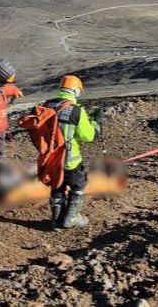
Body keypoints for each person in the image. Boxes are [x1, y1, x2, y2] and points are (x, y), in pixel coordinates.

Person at [44, 75, 101, 229]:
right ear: (75, 91)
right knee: (78, 186)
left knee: (57, 186)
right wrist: (96, 124)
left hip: (51, 159)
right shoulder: (76, 111)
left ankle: (56, 220)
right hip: (70, 160)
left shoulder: (47, 105)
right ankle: (71, 218)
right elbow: (88, 136)